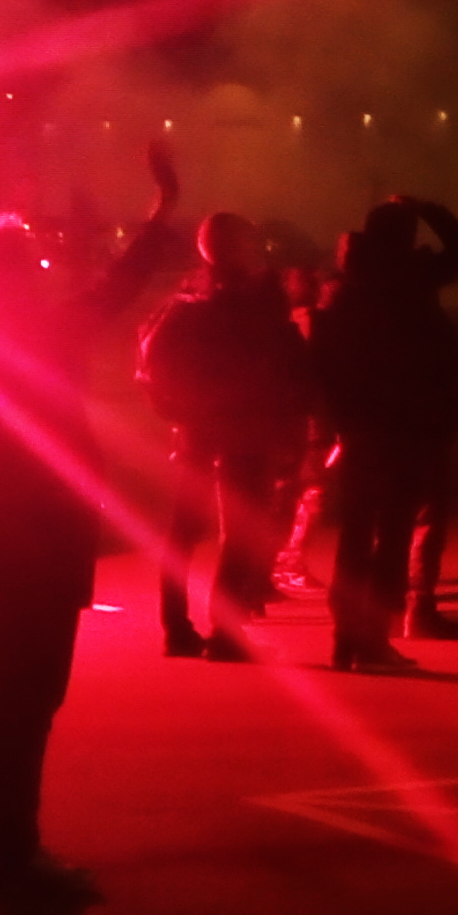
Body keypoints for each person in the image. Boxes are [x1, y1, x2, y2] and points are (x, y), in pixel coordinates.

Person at [0, 147, 184, 906]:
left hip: (2, 535)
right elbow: (116, 288)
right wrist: (161, 215)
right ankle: (7, 852)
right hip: (34, 539)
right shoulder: (37, 335)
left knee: (6, 691)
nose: (43, 275)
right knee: (25, 694)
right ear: (10, 278)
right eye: (30, 265)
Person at [315, 197, 458, 672]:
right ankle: (371, 641)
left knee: (355, 534)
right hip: (408, 425)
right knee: (392, 535)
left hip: (362, 427)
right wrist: (431, 208)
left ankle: (346, 638)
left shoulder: (344, 288)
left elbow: (328, 366)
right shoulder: (411, 280)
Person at [140, 213, 312, 662]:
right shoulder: (259, 304)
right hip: (246, 430)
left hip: (196, 431)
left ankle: (176, 628)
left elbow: (152, 364)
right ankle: (224, 630)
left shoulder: (185, 303)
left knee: (183, 534)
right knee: (240, 532)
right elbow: (289, 366)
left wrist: (176, 410)